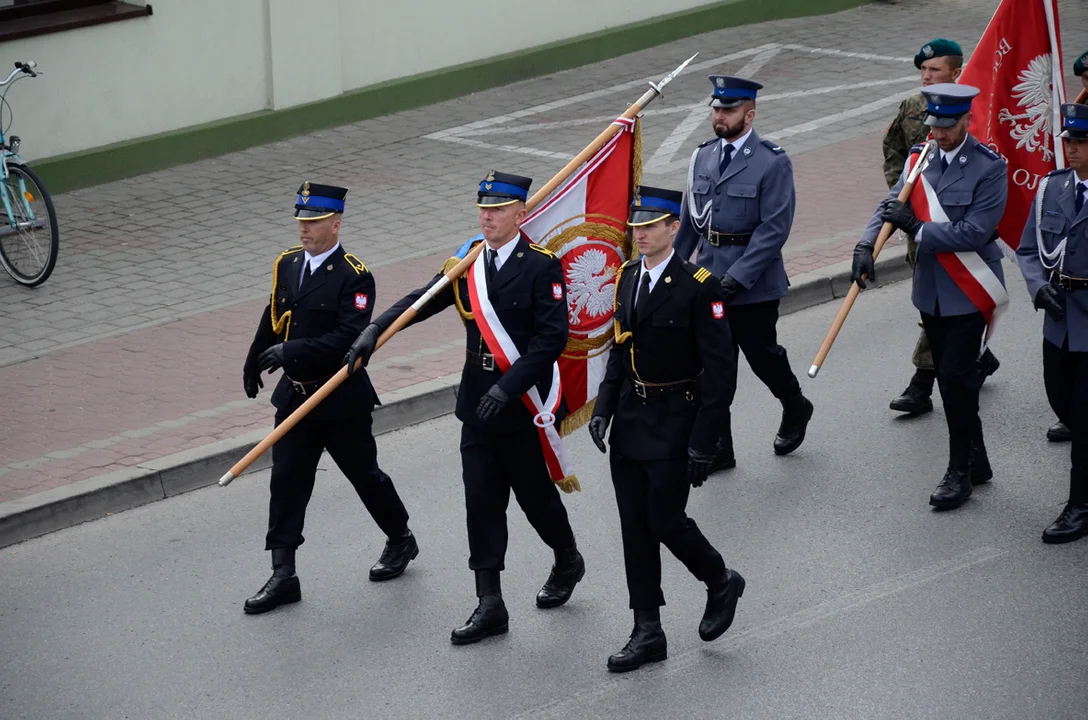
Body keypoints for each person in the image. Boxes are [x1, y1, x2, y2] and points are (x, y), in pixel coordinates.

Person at [345, 171, 584, 645]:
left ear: (521, 213)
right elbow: (424, 300)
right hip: (477, 402)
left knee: (535, 499)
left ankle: (567, 557)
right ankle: (490, 602)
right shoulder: (469, 259)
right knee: (481, 501)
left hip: (522, 405)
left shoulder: (542, 266)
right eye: (483, 208)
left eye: (497, 209)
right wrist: (377, 329)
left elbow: (551, 338)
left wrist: (509, 388)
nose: (487, 216)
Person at [240, 182, 417, 615]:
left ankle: (401, 539)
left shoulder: (354, 275)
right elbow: (275, 314)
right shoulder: (287, 263)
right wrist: (253, 359)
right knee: (286, 483)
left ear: (335, 224)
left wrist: (291, 352)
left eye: (314, 221)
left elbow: (347, 338)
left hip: (339, 398)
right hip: (296, 396)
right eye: (301, 220)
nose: (304, 228)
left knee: (365, 476)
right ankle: (284, 574)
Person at [589, 186, 745, 673]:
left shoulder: (700, 285)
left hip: (678, 418)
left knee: (666, 520)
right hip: (633, 419)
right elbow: (621, 347)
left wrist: (706, 439)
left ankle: (720, 579)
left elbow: (722, 372)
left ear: (673, 229)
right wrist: (604, 408)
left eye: (650, 227)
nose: (640, 235)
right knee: (634, 527)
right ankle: (647, 629)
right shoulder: (628, 276)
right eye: (635, 228)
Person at [852, 84, 1008, 511]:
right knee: (949, 378)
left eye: (947, 126)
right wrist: (865, 246)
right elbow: (891, 202)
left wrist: (918, 229)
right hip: (931, 290)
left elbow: (975, 231)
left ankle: (959, 472)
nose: (938, 134)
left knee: (955, 381)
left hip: (970, 289)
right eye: (934, 126)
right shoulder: (921, 157)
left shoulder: (989, 167)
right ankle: (978, 461)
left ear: (966, 122)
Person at [674, 75, 813, 470]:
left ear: (748, 115)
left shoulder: (772, 161)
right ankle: (720, 447)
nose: (719, 115)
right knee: (712, 363)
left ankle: (796, 405)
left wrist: (737, 278)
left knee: (762, 356)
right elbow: (689, 223)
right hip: (708, 276)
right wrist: (675, 271)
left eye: (729, 109)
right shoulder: (701, 156)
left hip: (752, 283)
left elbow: (774, 229)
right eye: (716, 108)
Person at [882, 40, 1001, 416]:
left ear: (956, 73)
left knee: (953, 314)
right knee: (937, 310)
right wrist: (898, 206)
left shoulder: (979, 112)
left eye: (934, 71)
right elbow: (895, 154)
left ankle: (923, 384)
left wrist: (918, 221)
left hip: (963, 241)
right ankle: (974, 359)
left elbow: (983, 193)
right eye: (923, 70)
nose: (926, 77)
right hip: (919, 226)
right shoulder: (914, 109)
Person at [1016, 103, 1088, 543]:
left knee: (1083, 414)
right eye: (1069, 142)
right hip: (1058, 319)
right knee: (1060, 400)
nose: (1072, 149)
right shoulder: (1052, 188)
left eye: (1081, 143)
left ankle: (1079, 504)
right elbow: (1028, 249)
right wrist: (1036, 286)